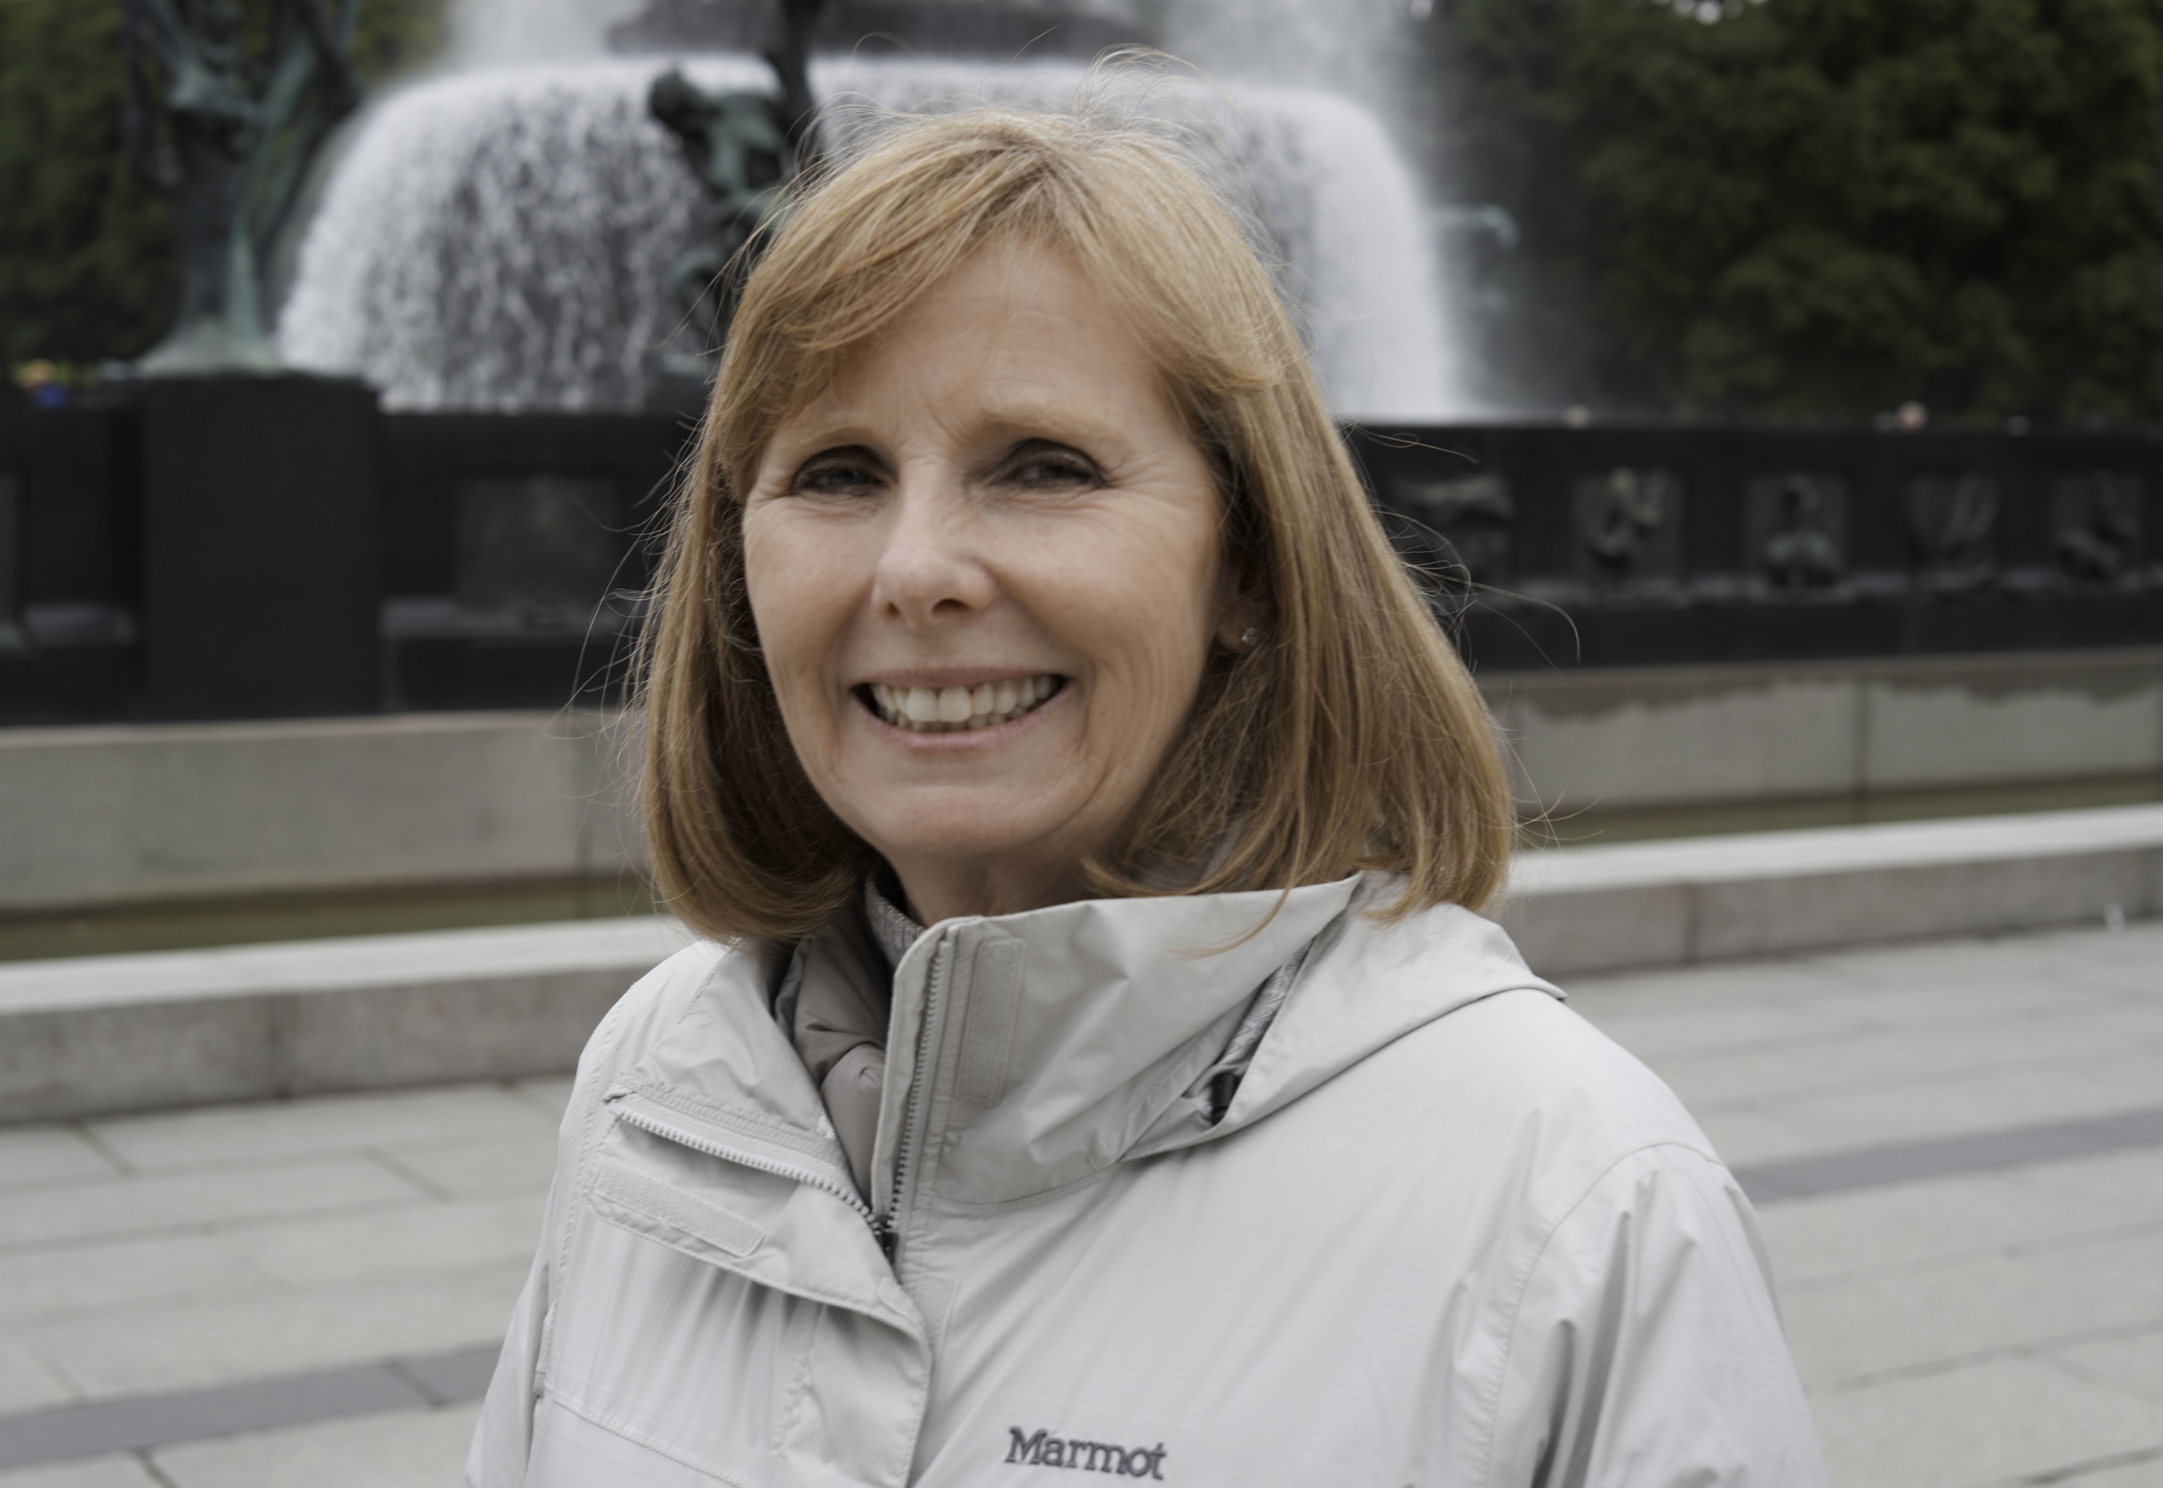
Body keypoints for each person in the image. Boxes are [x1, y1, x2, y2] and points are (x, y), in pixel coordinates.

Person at [465, 102, 1828, 1486]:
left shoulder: (1581, 1202)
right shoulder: (654, 1082)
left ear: (1245, 563)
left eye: (1043, 467)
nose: (917, 567)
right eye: (837, 473)